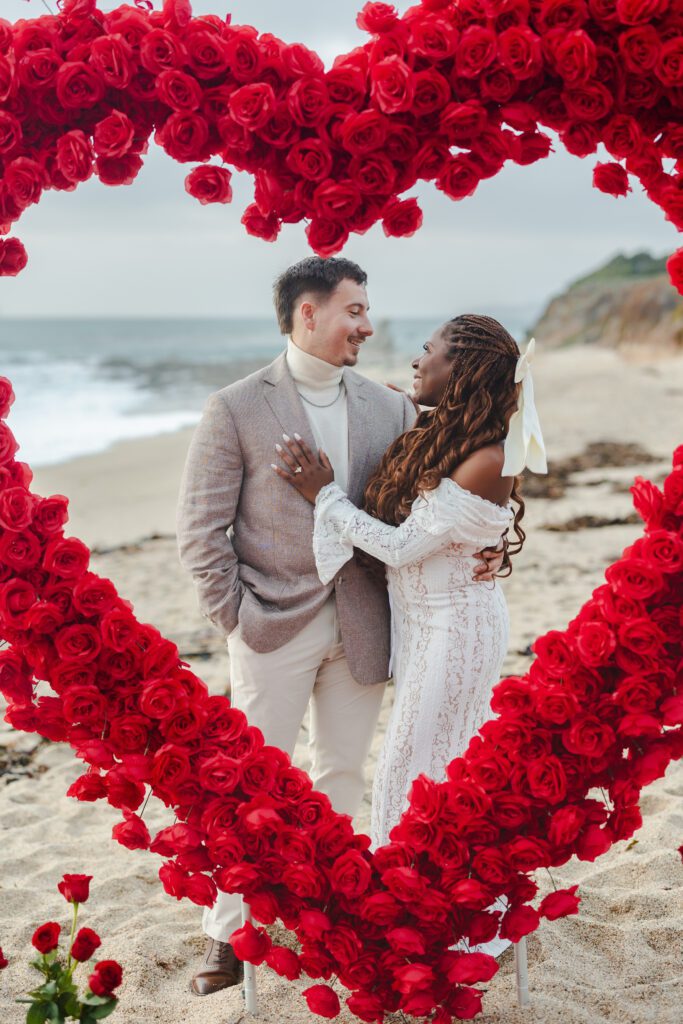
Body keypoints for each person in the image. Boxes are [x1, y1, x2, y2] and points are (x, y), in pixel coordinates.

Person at [176, 260, 504, 995]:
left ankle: (323, 910)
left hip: (366, 626)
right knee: (251, 785)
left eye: (367, 309)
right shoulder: (232, 407)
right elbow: (199, 533)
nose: (367, 325)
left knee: (342, 774)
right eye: (354, 310)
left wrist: (488, 541)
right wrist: (237, 614)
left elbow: (465, 458)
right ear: (306, 315)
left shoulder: (389, 409)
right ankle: (227, 936)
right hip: (269, 627)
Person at [272, 313, 547, 958]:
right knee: (433, 764)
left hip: (457, 630)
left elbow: (398, 547)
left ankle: (440, 921)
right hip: (427, 627)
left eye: (430, 351)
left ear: (465, 371)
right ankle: (430, 910)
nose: (417, 360)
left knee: (415, 770)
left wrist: (326, 496)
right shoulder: (454, 436)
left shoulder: (486, 457)